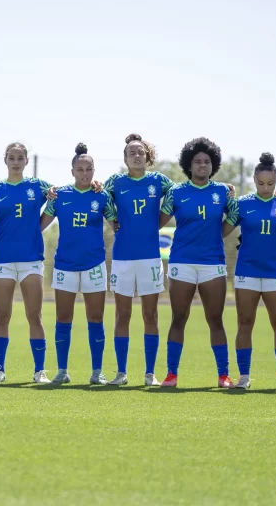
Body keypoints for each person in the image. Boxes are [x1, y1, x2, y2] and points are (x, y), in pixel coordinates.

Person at [157, 137, 236, 388]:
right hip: (182, 263)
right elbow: (158, 221)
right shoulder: (176, 192)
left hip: (213, 263)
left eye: (207, 161)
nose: (202, 165)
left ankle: (223, 375)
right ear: (189, 166)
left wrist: (216, 235)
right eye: (197, 161)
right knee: (178, 318)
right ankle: (171, 374)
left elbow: (234, 216)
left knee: (216, 319)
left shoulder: (223, 192)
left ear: (213, 165)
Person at [40, 143, 117, 385]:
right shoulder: (60, 195)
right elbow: (39, 224)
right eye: (80, 169)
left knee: (96, 319)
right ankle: (62, 371)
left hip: (94, 264)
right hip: (64, 265)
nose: (85, 173)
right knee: (63, 318)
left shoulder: (102, 195)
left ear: (94, 171)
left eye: (89, 169)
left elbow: (116, 224)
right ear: (72, 171)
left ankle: (97, 372)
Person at [0, 142, 57, 384]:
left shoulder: (38, 186)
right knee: (2, 316)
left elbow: (62, 195)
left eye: (20, 157)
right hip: (3, 259)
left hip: (31, 261)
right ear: (5, 160)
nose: (16, 161)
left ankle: (39, 371)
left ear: (26, 161)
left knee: (34, 316)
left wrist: (38, 227)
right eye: (12, 157)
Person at [103, 134, 174, 386]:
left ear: (147, 156)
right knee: (122, 315)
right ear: (124, 159)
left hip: (150, 258)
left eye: (140, 152)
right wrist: (112, 220)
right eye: (131, 153)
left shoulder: (160, 181)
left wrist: (159, 222)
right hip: (122, 258)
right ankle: (121, 373)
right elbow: (97, 196)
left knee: (150, 315)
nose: (136, 156)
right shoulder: (115, 181)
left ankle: (149, 374)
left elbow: (181, 194)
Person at [226, 153, 276, 390]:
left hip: (275, 273)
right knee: (245, 322)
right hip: (247, 272)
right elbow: (222, 230)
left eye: (270, 183)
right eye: (260, 183)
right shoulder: (242, 204)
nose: (265, 188)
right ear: (254, 180)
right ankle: (244, 377)